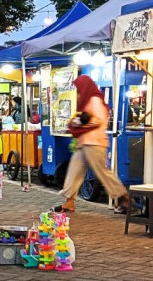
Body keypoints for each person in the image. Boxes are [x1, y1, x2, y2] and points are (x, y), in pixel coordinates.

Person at [55, 75, 130, 214]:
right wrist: (77, 122)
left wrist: (79, 123)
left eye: (79, 88)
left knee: (102, 171)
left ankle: (123, 198)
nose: (78, 91)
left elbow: (99, 120)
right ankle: (69, 202)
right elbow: (83, 117)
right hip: (83, 143)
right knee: (74, 171)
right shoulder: (85, 100)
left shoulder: (94, 99)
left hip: (94, 142)